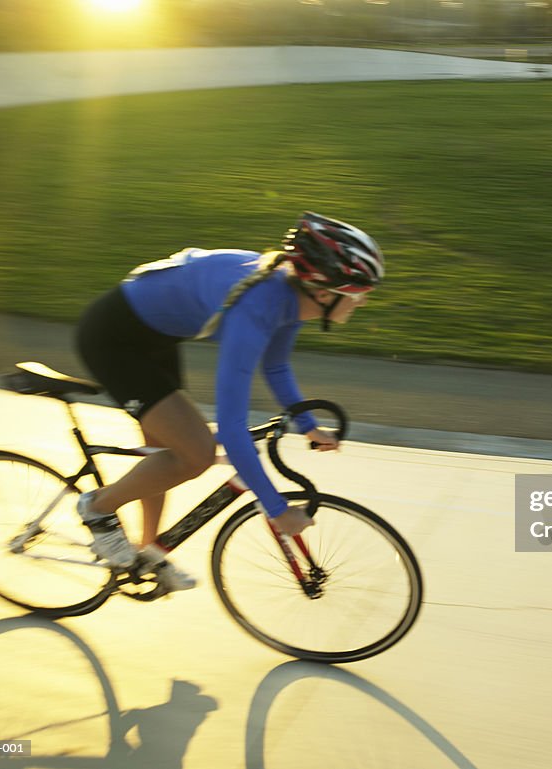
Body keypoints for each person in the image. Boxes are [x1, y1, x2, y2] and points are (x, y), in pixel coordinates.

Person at [74, 211, 384, 592]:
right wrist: (278, 510)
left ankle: (147, 552)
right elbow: (233, 426)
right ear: (324, 292)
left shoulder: (290, 297)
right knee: (197, 453)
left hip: (153, 338)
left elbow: (276, 366)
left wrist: (308, 425)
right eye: (360, 293)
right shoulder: (256, 308)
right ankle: (97, 509)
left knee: (167, 452)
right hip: (114, 340)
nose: (363, 302)